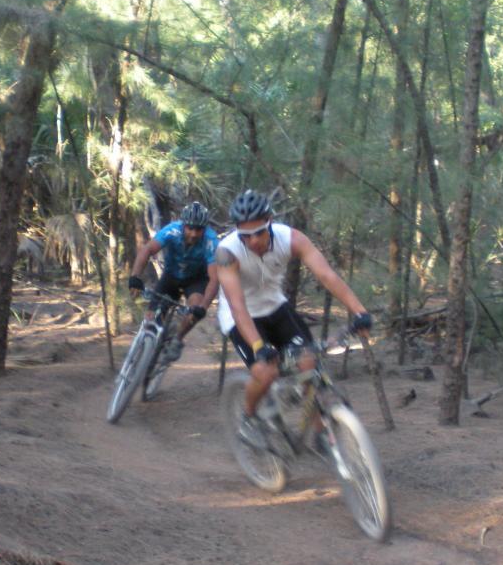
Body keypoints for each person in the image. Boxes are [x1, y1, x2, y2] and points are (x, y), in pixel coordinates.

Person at [214, 189, 372, 447]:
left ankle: (321, 431)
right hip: (240, 316)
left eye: (260, 232)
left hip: (276, 306)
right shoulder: (227, 253)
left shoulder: (292, 239)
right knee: (265, 373)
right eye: (246, 235)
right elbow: (237, 306)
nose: (253, 241)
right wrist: (259, 346)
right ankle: (249, 417)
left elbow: (326, 276)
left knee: (309, 363)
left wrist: (360, 311)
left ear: (270, 223)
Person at [128, 201, 219, 362]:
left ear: (204, 229)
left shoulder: (211, 241)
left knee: (195, 308)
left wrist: (203, 308)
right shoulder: (172, 231)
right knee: (150, 318)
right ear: (183, 225)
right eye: (190, 227)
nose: (193, 233)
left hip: (196, 279)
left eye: (198, 229)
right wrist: (135, 277)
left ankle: (178, 339)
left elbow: (214, 278)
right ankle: (143, 350)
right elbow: (147, 250)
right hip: (171, 275)